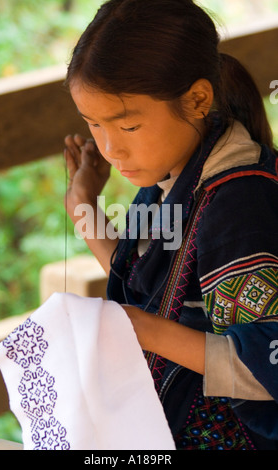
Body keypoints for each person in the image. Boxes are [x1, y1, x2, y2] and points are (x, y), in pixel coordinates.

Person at [63, 0, 278, 450]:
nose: (108, 149)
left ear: (198, 99)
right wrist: (82, 205)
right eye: (93, 125)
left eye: (128, 126)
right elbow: (149, 288)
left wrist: (134, 326)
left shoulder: (237, 203)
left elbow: (262, 363)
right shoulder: (172, 175)